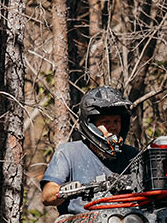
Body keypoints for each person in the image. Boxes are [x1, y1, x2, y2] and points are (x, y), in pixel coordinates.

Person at [40, 86, 141, 214]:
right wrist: (64, 190)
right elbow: (46, 195)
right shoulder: (69, 152)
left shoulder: (132, 155)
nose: (113, 127)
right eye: (105, 122)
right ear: (91, 125)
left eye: (117, 121)